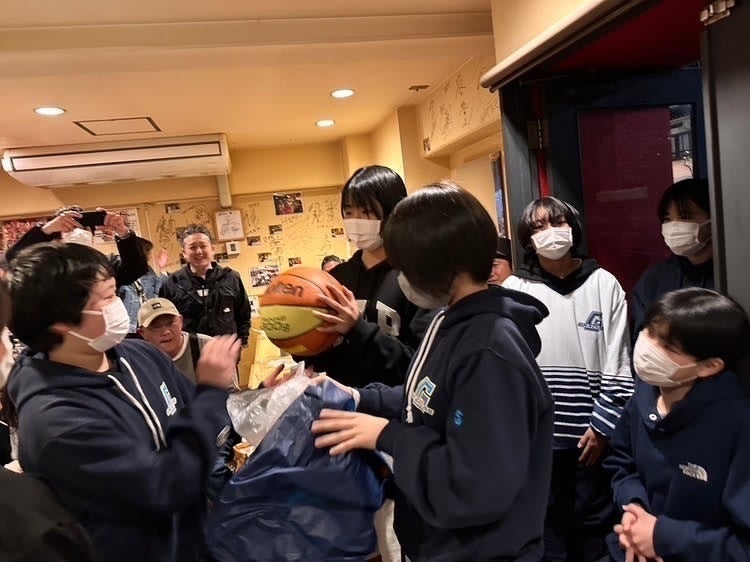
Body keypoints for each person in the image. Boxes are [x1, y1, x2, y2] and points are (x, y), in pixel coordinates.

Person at [310, 181, 555, 561]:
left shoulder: (489, 351)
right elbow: (427, 397)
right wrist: (360, 398)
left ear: (439, 265)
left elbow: (474, 486)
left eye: (405, 267)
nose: (401, 277)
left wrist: (388, 436)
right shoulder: (452, 321)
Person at [1, 242, 239, 562]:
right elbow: (163, 485)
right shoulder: (57, 421)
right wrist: (211, 390)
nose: (119, 305)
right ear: (62, 322)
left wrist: (261, 400)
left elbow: (195, 412)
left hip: (192, 542)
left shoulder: (139, 354)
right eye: (109, 296)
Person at [502, 196, 633, 562]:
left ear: (573, 227)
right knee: (547, 529)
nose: (550, 232)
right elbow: (507, 369)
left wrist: (603, 426)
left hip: (592, 440)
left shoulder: (604, 284)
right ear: (528, 240)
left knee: (596, 529)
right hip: (537, 439)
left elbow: (620, 360)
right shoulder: (514, 290)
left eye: (557, 222)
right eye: (539, 227)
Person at [603, 288, 750, 562]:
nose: (648, 347)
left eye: (668, 347)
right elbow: (621, 460)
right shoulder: (644, 394)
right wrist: (633, 507)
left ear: (710, 366)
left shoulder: (737, 422)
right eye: (649, 332)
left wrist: (662, 537)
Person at [306, 165, 434, 388]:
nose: (356, 221)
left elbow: (422, 364)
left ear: (394, 212)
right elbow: (321, 359)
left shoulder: (420, 278)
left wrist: (357, 328)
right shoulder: (335, 278)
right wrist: (299, 339)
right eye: (348, 212)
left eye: (366, 212)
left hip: (395, 404)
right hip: (341, 401)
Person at [630, 178, 713, 342]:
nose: (674, 226)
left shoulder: (734, 274)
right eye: (667, 218)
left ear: (713, 219)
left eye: (685, 216)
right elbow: (641, 340)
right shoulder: (654, 279)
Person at [5, 205, 148, 288]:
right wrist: (45, 230)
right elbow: (14, 260)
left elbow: (135, 270)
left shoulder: (103, 265)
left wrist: (123, 232)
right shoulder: (45, 268)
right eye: (70, 227)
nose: (77, 231)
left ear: (92, 233)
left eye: (84, 227)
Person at [160, 224, 252, 346]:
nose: (199, 251)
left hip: (226, 349)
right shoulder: (172, 283)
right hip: (189, 350)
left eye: (203, 246)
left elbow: (243, 314)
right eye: (193, 247)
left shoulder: (231, 277)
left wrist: (242, 341)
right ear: (184, 253)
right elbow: (165, 321)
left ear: (212, 249)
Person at [137, 297, 212, 383]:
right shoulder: (137, 361)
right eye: (156, 327)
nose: (166, 332)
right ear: (142, 333)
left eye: (170, 323)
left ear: (181, 321)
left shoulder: (209, 348)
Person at [119, 239, 168, 333]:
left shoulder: (148, 270)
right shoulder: (119, 271)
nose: (149, 256)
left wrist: (162, 268)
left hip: (148, 321)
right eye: (147, 252)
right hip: (129, 326)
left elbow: (159, 291)